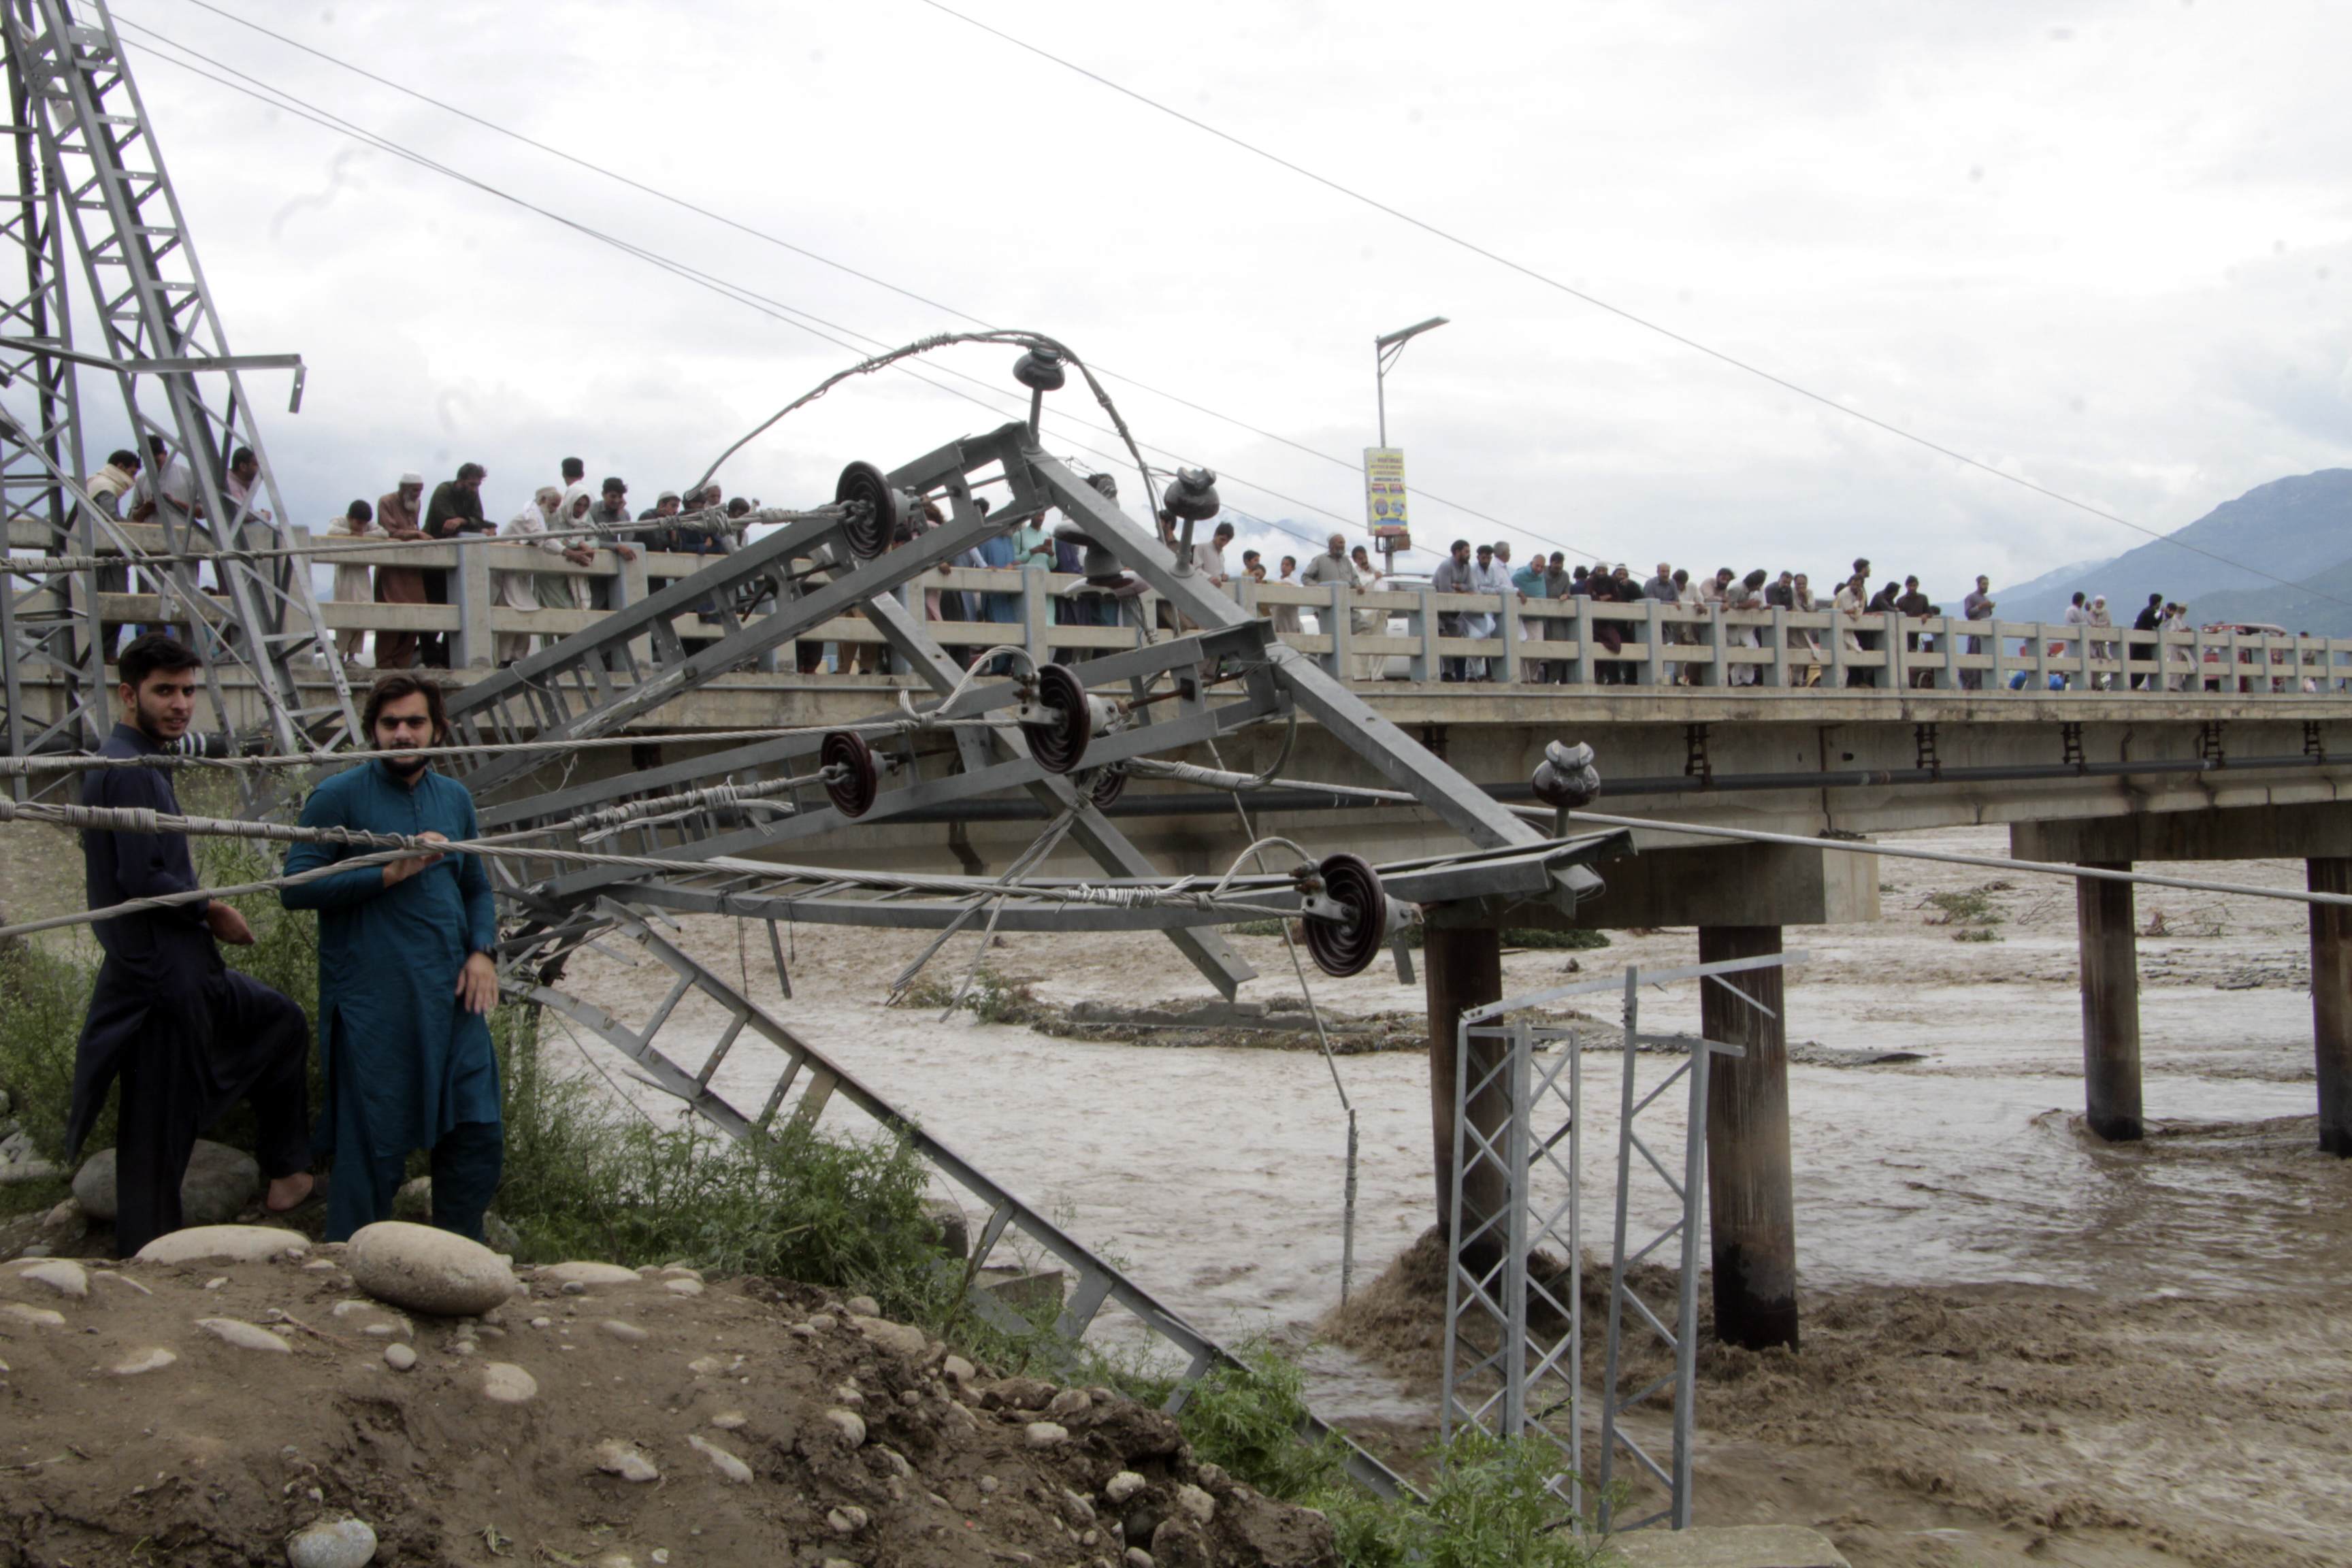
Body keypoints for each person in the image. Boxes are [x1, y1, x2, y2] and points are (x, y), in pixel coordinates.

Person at [67, 634, 316, 1257]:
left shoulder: (141, 759)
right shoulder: (126, 770)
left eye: (187, 691)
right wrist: (212, 908)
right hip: (158, 976)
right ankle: (148, 1259)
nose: (181, 705)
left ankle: (287, 1170)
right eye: (164, 692)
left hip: (170, 966)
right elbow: (140, 878)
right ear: (129, 694)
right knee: (156, 1128)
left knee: (279, 1022)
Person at [280, 674, 502, 1244]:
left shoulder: (454, 798)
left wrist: (482, 952)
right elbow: (295, 886)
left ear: (438, 728)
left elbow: (476, 886)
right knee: (372, 1143)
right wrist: (385, 870)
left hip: (452, 996)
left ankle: (459, 1261)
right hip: (374, 1003)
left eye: (415, 723)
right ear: (372, 730)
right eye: (390, 724)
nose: (403, 735)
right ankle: (352, 1265)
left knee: (477, 1132)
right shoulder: (338, 795)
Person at [418, 463, 491, 668]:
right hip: (435, 558)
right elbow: (445, 521)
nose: (474, 488)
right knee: (434, 606)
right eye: (471, 484)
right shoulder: (444, 490)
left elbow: (479, 520)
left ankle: (448, 659)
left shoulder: (473, 494)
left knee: (457, 607)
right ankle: (430, 659)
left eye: (477, 485)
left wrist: (461, 520)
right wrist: (468, 522)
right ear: (460, 480)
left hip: (458, 561)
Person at [495, 486, 568, 664]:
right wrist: (566, 552)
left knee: (528, 613)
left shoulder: (540, 517)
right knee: (510, 614)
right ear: (543, 501)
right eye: (553, 504)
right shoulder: (529, 517)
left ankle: (519, 656)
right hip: (506, 573)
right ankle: (505, 659)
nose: (554, 509)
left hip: (520, 575)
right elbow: (541, 539)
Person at [372, 472, 428, 670]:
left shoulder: (416, 504)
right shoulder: (386, 501)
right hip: (392, 570)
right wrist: (416, 534)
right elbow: (390, 530)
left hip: (411, 570)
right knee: (391, 616)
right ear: (403, 488)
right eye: (414, 490)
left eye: (420, 490)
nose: (417, 494)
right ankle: (385, 663)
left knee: (415, 618)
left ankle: (402, 663)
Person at [325, 500, 376, 667]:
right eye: (358, 523)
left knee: (362, 613)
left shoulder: (368, 528)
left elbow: (382, 533)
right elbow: (331, 530)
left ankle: (352, 656)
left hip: (362, 574)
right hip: (345, 575)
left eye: (364, 524)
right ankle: (340, 655)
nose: (360, 527)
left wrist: (362, 535)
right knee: (345, 614)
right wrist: (351, 532)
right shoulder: (340, 521)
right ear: (349, 517)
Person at [1432, 538, 1475, 681]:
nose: (1469, 554)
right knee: (1437, 641)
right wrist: (1462, 591)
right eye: (1467, 552)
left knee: (1455, 641)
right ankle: (1438, 673)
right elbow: (1445, 591)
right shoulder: (1446, 565)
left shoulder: (1467, 567)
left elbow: (1469, 587)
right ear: (1457, 552)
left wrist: (1456, 586)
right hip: (1438, 610)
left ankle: (1450, 673)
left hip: (1455, 612)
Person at [1466, 542, 1512, 681]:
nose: (1485, 561)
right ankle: (1477, 674)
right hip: (1473, 611)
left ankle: (1473, 675)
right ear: (1478, 557)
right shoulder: (1472, 569)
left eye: (1488, 558)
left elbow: (1498, 589)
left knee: (1483, 641)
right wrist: (1488, 590)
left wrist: (1485, 589)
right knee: (1474, 641)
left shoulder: (1493, 570)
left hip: (1487, 611)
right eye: (1483, 558)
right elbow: (1474, 589)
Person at [1350, 544, 1387, 679]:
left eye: (1365, 557)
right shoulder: (1354, 573)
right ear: (1355, 560)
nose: (1364, 560)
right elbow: (1358, 585)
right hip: (1363, 615)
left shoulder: (1374, 569)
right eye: (1360, 558)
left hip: (1378, 614)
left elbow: (1383, 588)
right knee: (1361, 648)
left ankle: (1378, 676)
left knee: (1382, 646)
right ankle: (1361, 677)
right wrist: (1373, 577)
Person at [1835, 572, 1872, 686]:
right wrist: (1858, 602)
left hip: (1850, 628)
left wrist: (1859, 602)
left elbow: (1860, 610)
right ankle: (1842, 684)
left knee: (1855, 651)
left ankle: (1851, 682)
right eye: (1853, 584)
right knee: (1844, 655)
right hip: (1840, 627)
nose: (1854, 587)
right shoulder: (1845, 593)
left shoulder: (1860, 593)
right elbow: (1848, 611)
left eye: (1857, 585)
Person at [1959, 576, 1996, 689]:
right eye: (1984, 584)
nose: (1986, 586)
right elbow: (1968, 613)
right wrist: (1981, 606)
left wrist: (1990, 608)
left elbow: (1988, 615)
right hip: (1975, 634)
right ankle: (1971, 683)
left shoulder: (1986, 598)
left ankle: (1982, 683)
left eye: (1987, 584)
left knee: (1985, 659)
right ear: (1978, 584)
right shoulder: (1971, 598)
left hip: (1985, 635)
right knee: (1974, 658)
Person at [2129, 592, 2163, 689]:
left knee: (2138, 664)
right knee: (2144, 664)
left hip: (2137, 642)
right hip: (2142, 644)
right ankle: (2134, 686)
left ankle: (2133, 686)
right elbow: (2156, 624)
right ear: (2158, 603)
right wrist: (2162, 614)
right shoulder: (2151, 612)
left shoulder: (2146, 611)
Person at [2085, 595, 2117, 689]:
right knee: (2091, 665)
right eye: (2098, 603)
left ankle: (2098, 685)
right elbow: (2089, 626)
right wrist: (2100, 626)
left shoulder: (2107, 613)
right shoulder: (2089, 614)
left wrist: (2097, 626)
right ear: (2094, 603)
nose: (2099, 605)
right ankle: (2092, 684)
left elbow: (2108, 625)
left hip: (2102, 644)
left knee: (2100, 666)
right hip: (2091, 645)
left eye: (2101, 603)